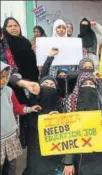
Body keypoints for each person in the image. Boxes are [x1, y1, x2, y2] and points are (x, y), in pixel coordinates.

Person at [62, 72, 102, 175]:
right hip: (78, 151)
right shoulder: (70, 102)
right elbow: (66, 134)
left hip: (98, 150)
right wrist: (68, 161)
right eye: (85, 84)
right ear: (79, 85)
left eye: (91, 83)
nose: (88, 86)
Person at [3, 17, 40, 148]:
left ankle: (26, 141)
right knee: (16, 111)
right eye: (10, 26)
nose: (13, 28)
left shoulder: (25, 42)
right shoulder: (4, 44)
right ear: (5, 29)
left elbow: (32, 62)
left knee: (28, 111)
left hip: (30, 81)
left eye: (15, 25)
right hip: (12, 84)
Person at [1, 61, 41, 175]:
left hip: (11, 138)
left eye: (4, 77)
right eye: (0, 77)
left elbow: (16, 109)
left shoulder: (9, 91)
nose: (3, 80)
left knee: (11, 168)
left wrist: (30, 109)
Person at [24, 76, 64, 175]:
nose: (48, 86)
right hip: (36, 149)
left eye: (52, 85)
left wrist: (59, 119)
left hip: (55, 150)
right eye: (45, 83)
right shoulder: (30, 104)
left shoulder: (61, 106)